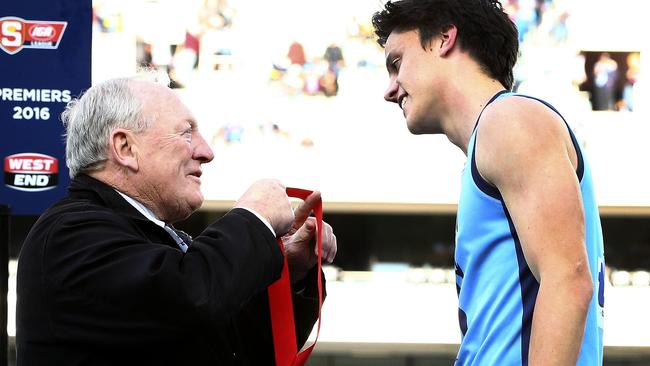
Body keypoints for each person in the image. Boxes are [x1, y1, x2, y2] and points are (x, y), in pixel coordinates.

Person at [16, 72, 337, 366]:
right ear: (125, 148)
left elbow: (242, 348)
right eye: (186, 134)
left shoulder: (150, 238)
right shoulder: (69, 234)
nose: (207, 152)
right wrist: (254, 218)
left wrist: (290, 274)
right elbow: (190, 297)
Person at [372, 1, 604, 365]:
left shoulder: (509, 120)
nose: (389, 90)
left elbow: (569, 280)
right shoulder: (494, 137)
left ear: (444, 38)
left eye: (397, 63)